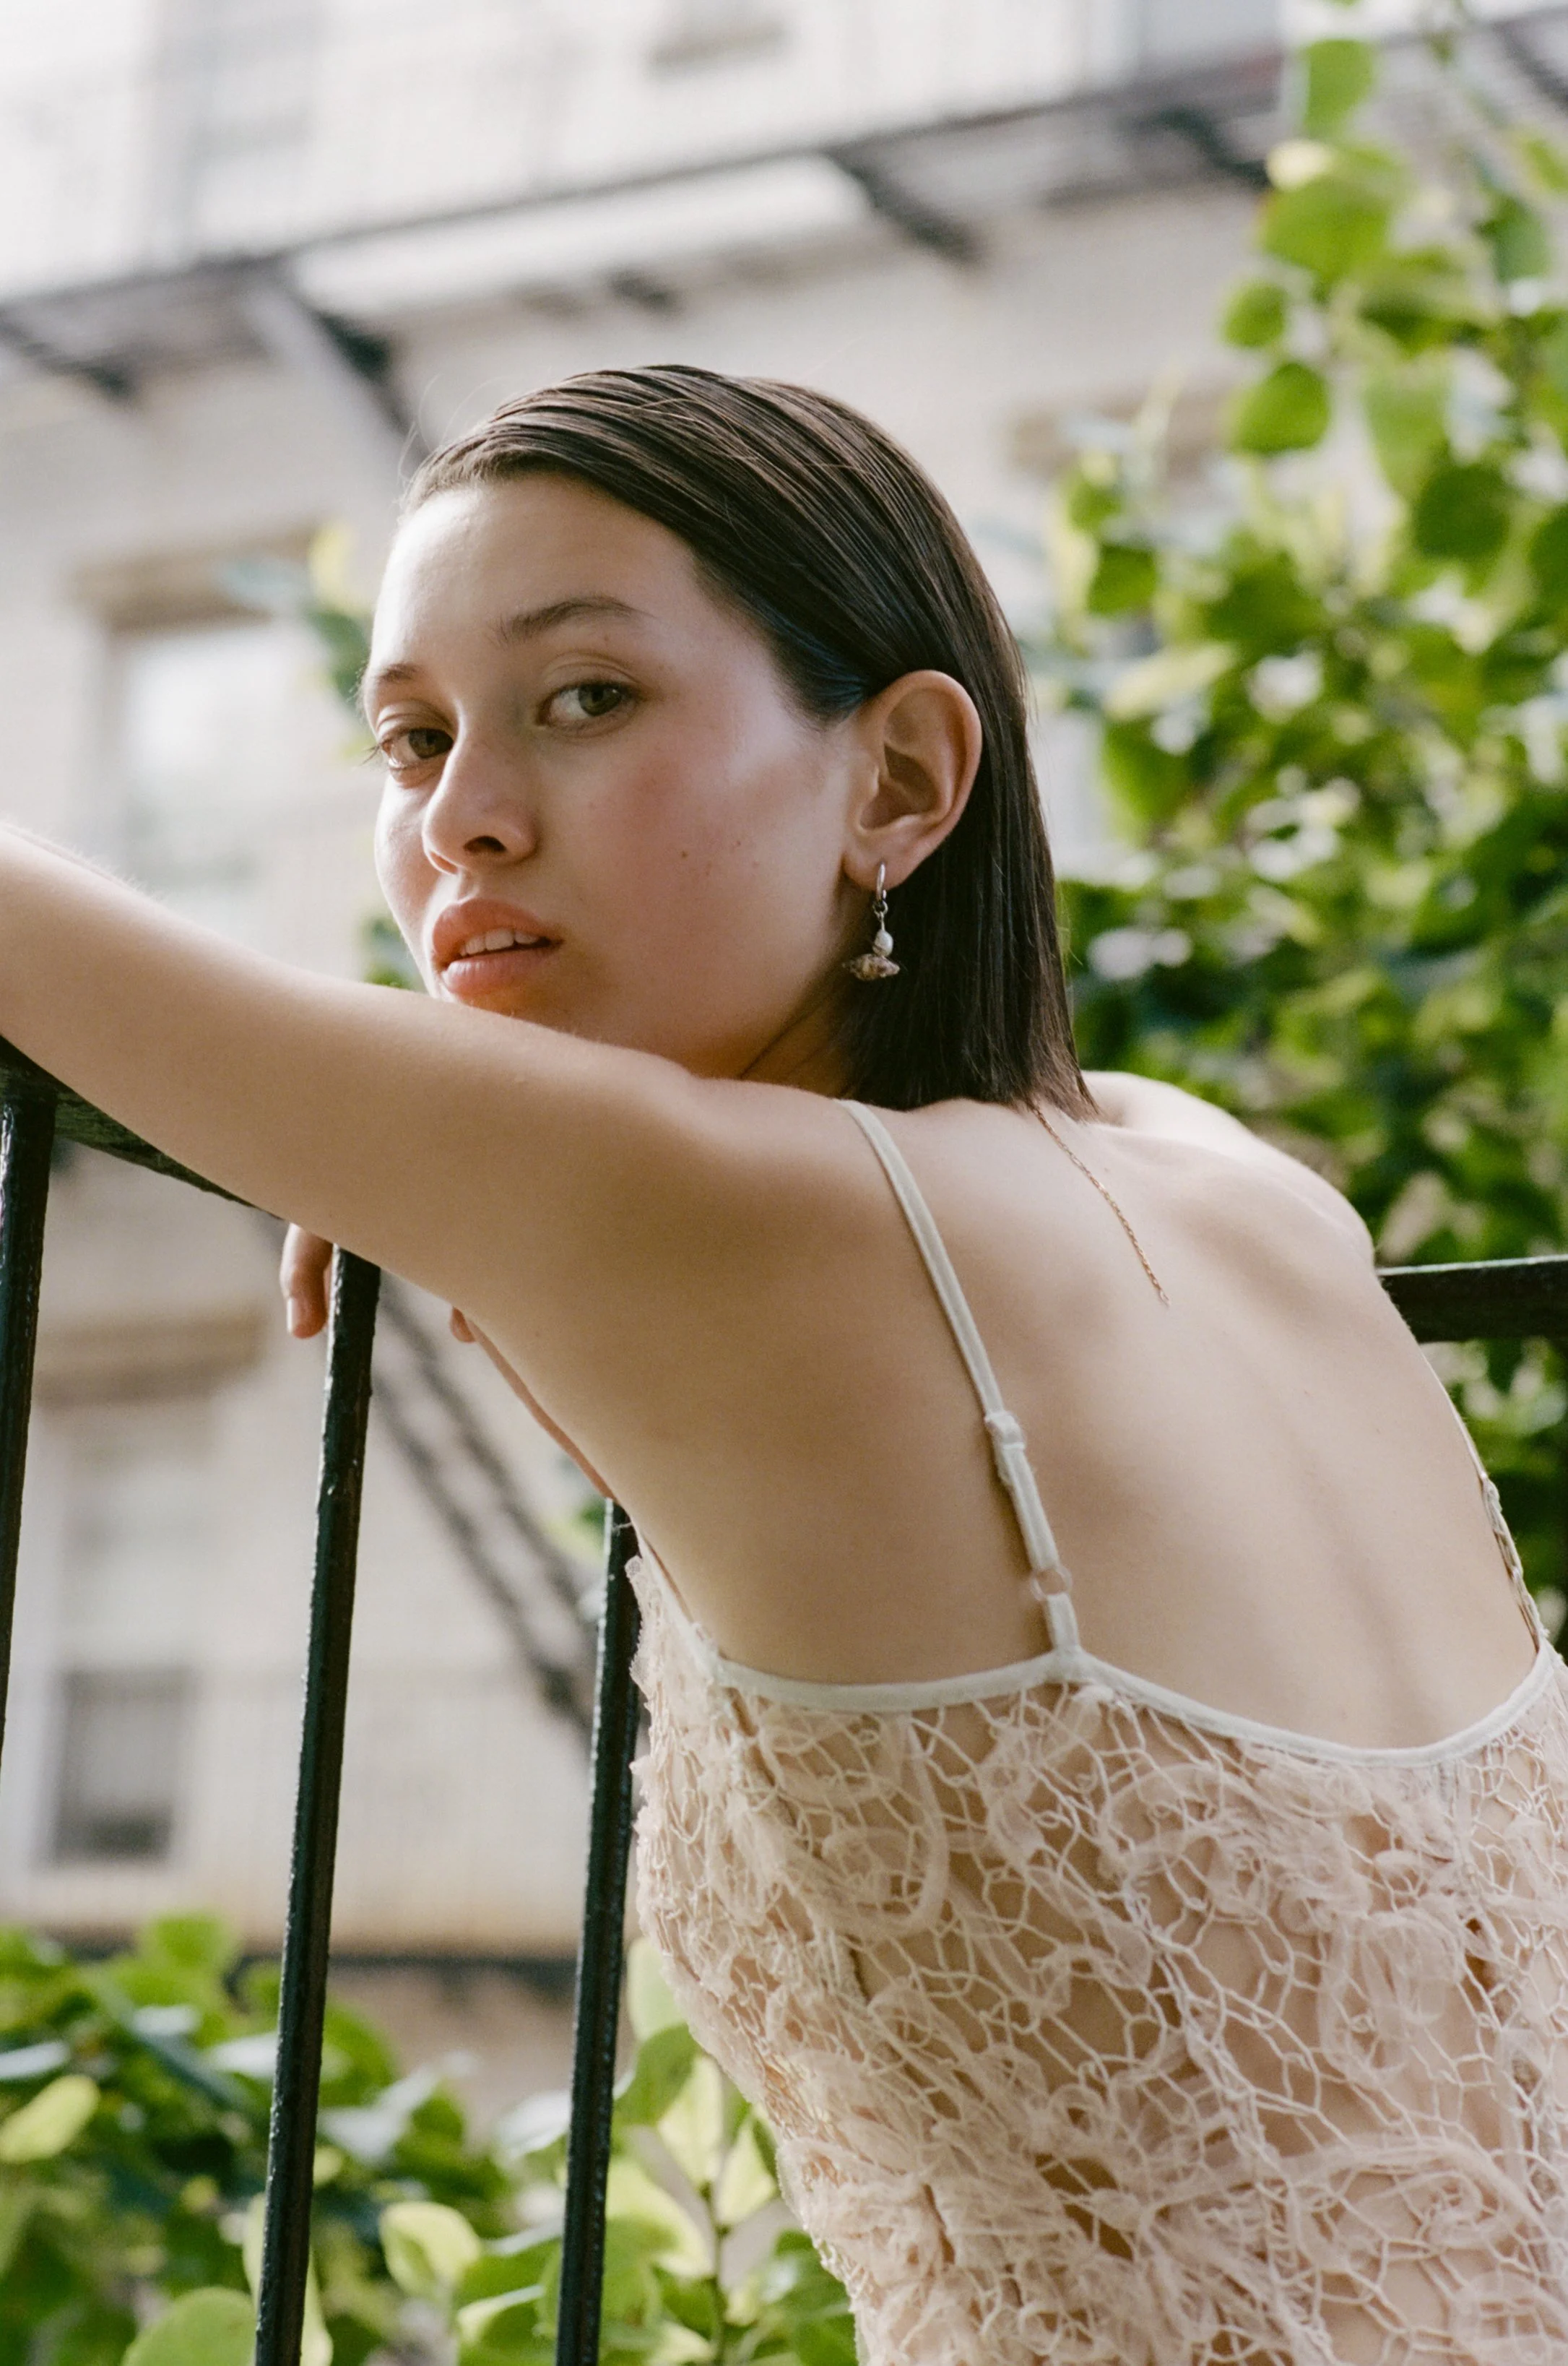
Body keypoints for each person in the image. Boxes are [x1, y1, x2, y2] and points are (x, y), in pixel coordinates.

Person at [3, 366, 1564, 2359]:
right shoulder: (1232, 1181)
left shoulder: (704, 1213)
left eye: (588, 699)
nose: (461, 814)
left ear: (903, 783)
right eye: (408, 740)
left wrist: (439, 1142)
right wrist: (449, 1158)